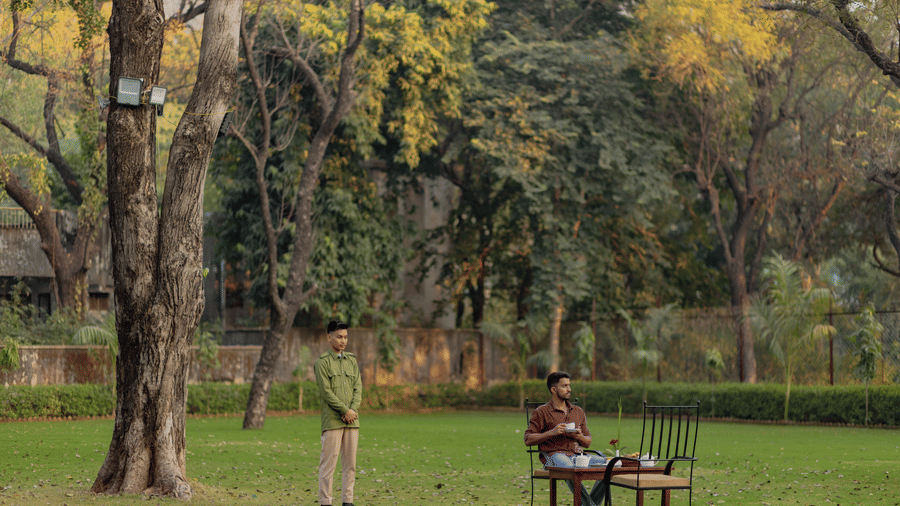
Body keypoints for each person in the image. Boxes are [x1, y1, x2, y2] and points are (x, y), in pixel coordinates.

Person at [524, 371, 606, 506]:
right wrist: (551, 432)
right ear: (553, 389)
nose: (569, 389)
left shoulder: (578, 411)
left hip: (577, 455)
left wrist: (579, 436)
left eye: (569, 385)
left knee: (607, 466)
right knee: (570, 467)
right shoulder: (541, 412)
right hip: (553, 456)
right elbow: (528, 439)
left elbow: (588, 442)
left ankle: (589, 504)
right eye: (564, 386)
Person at [314, 320, 362, 506]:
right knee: (328, 466)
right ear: (329, 337)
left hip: (352, 421)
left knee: (350, 465)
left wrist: (353, 410)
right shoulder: (322, 363)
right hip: (333, 421)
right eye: (339, 336)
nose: (343, 341)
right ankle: (326, 501)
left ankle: (347, 501)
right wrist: (345, 410)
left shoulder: (351, 360)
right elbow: (326, 393)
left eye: (345, 337)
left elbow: (358, 387)